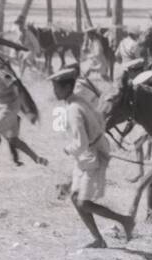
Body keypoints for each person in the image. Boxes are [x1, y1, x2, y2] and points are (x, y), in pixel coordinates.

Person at [55, 65, 134, 249]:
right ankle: (98, 239)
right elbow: (100, 119)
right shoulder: (79, 102)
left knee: (83, 202)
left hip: (92, 155)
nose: (55, 91)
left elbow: (80, 143)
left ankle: (125, 220)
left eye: (57, 87)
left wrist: (68, 149)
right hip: (90, 153)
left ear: (67, 88)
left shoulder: (74, 109)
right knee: (76, 198)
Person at [0, 55, 47, 168]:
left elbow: (15, 84)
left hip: (9, 106)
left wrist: (25, 107)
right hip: (0, 106)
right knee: (13, 140)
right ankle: (38, 159)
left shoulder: (1, 69)